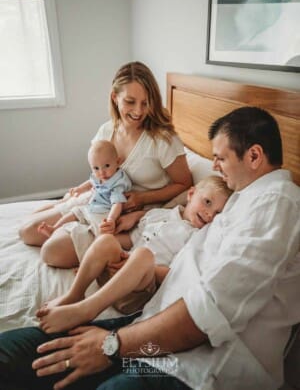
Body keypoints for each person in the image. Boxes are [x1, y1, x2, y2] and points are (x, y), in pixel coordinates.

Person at [1, 106, 299, 390]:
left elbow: (206, 314)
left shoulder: (276, 202)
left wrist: (111, 345)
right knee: (12, 353)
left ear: (255, 156)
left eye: (220, 158)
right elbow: (190, 267)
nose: (215, 167)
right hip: (147, 329)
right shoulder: (239, 200)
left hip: (191, 367)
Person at [19, 61, 192, 269]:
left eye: (145, 103)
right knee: (27, 231)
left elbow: (184, 184)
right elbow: (99, 171)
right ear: (114, 97)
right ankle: (61, 207)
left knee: (52, 253)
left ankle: (76, 228)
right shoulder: (107, 130)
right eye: (130, 101)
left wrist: (142, 198)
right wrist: (79, 193)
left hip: (128, 214)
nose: (138, 111)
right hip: (101, 198)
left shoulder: (163, 140)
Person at [36, 176, 232, 334]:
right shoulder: (159, 215)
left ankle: (86, 309)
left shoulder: (197, 238)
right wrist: (101, 252)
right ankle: (74, 294)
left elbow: (177, 275)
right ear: (191, 194)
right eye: (207, 202)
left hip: (140, 291)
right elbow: (130, 241)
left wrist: (141, 265)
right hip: (117, 275)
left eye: (217, 213)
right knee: (107, 241)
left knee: (143, 254)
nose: (209, 215)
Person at [37, 140, 132, 240]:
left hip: (106, 212)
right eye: (96, 168)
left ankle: (107, 242)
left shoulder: (118, 182)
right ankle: (55, 228)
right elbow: (90, 182)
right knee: (75, 211)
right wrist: (79, 189)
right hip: (92, 206)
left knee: (101, 229)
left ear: (117, 162)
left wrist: (111, 219)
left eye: (107, 166)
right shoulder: (99, 176)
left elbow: (117, 203)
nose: (102, 172)